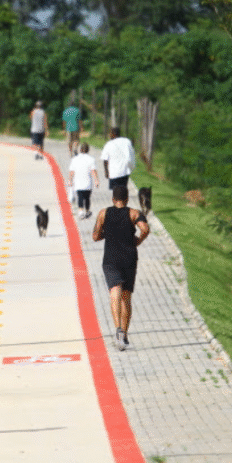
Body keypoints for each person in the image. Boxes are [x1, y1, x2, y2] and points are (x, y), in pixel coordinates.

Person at [92, 185, 150, 351]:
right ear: (127, 200)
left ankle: (117, 329)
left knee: (114, 290)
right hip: (129, 259)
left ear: (113, 199)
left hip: (111, 259)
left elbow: (95, 236)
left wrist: (107, 233)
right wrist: (138, 241)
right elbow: (145, 229)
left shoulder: (104, 213)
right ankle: (124, 334)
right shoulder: (134, 213)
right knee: (126, 297)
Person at [68, 142, 99, 219]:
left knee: (80, 197)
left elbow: (72, 171)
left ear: (80, 150)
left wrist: (70, 180)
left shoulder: (75, 159)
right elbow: (93, 171)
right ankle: (87, 211)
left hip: (78, 182)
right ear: (88, 150)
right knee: (87, 197)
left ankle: (81, 211)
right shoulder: (91, 159)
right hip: (87, 182)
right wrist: (96, 181)